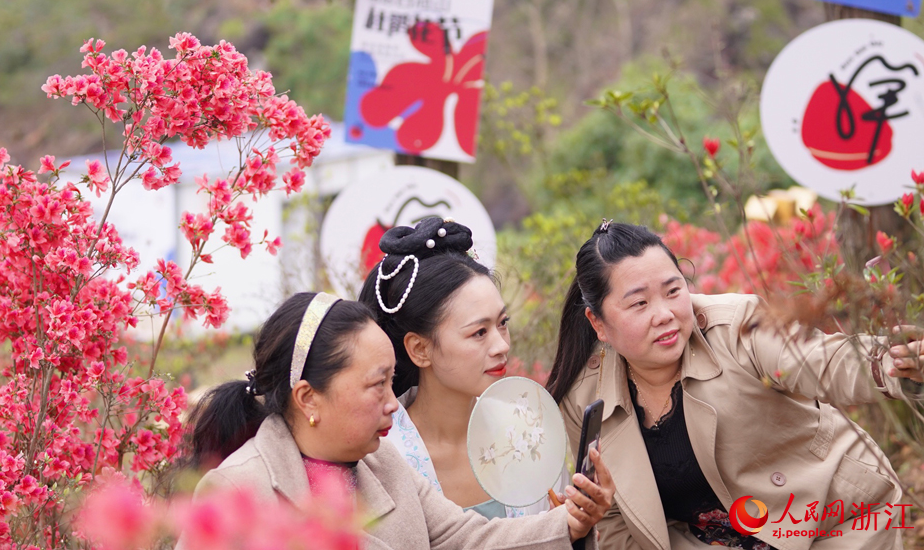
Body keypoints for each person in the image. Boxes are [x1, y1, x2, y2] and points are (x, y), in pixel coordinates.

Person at [546, 221, 924, 550]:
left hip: (835, 519)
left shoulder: (736, 326)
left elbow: (820, 361)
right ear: (598, 324)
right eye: (639, 304)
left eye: (673, 291)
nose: (665, 315)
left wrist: (890, 362)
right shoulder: (584, 399)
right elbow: (614, 520)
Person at [182, 292, 611, 550]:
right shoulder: (238, 489)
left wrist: (570, 522)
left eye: (392, 381)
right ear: (309, 398)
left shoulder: (384, 464)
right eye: (376, 386)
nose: (393, 404)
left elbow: (468, 539)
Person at [359, 216, 603, 519]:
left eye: (503, 324)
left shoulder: (526, 432)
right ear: (420, 349)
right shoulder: (379, 454)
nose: (502, 345)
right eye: (479, 333)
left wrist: (575, 526)